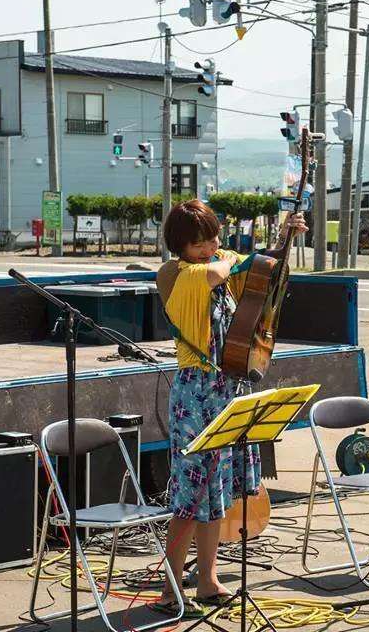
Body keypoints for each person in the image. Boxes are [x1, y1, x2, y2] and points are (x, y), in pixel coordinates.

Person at [152, 199, 307, 617]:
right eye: (200, 243)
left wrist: (283, 239)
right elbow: (221, 270)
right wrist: (240, 258)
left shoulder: (220, 260)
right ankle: (169, 585)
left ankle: (207, 579)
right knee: (190, 494)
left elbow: (259, 272)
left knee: (215, 494)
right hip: (196, 395)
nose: (210, 247)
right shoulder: (176, 274)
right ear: (180, 246)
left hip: (228, 387)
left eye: (214, 239)